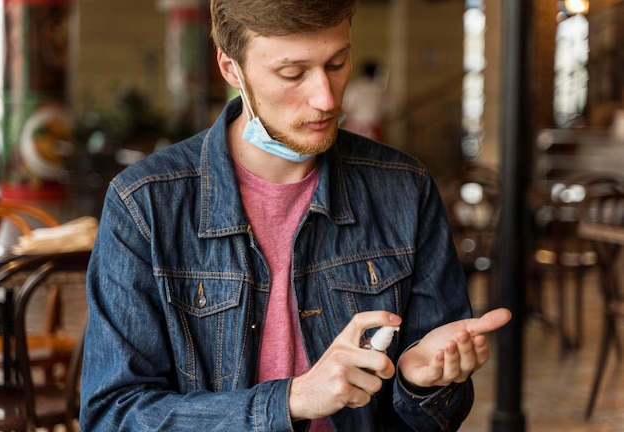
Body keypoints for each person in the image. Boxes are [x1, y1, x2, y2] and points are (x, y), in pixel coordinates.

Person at [80, 1, 511, 430]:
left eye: (338, 63)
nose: (326, 98)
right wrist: (291, 400)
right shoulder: (145, 202)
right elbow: (112, 416)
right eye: (293, 73)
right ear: (232, 70)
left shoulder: (405, 188)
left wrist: (419, 384)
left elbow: (434, 415)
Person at [342, 60, 392, 142]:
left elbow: (348, 110)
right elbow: (387, 112)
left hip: (355, 130)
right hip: (374, 131)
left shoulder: (355, 88)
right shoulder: (380, 90)